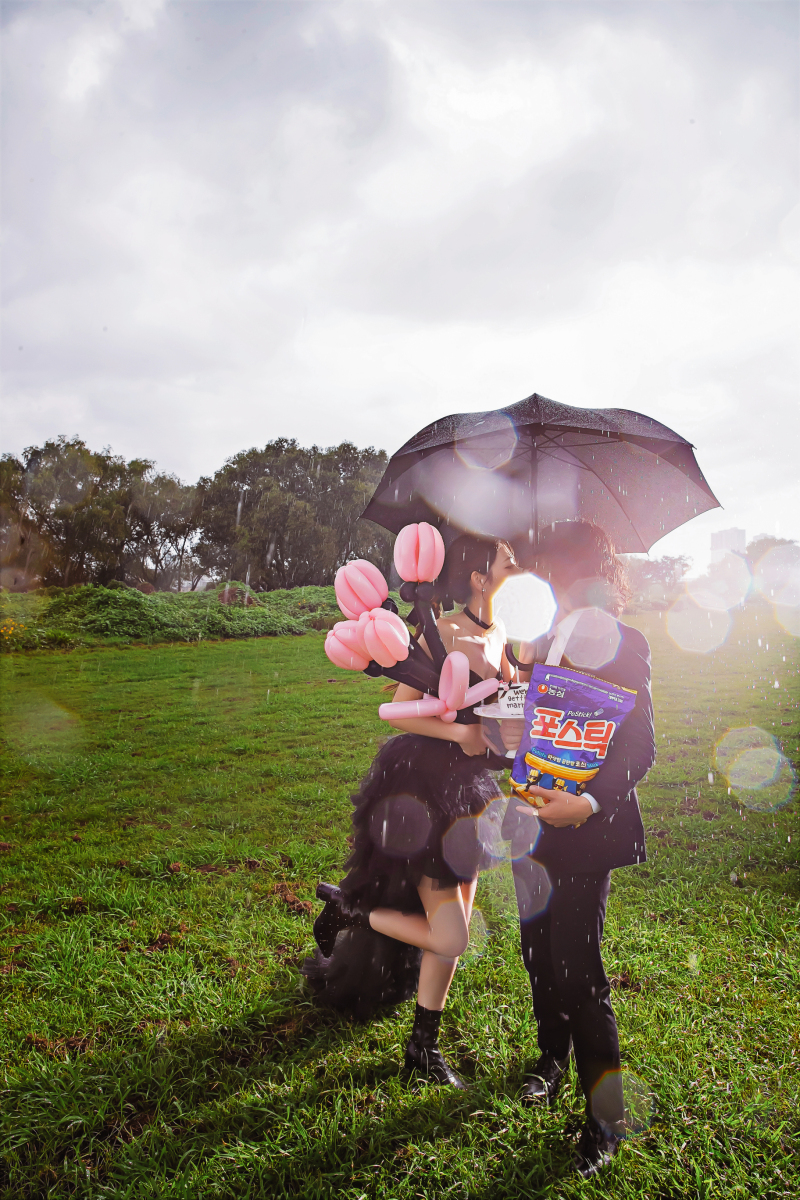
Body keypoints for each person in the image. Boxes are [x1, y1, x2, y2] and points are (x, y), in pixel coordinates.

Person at [303, 534, 518, 1087]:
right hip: (424, 791)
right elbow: (399, 711)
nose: (517, 566)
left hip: (471, 790)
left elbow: (499, 712)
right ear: (479, 576)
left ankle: (423, 1048)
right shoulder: (442, 630)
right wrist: (464, 734)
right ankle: (351, 911)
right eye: (508, 560)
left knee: (457, 920)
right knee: (452, 936)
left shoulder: (503, 636)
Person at [502, 520, 655, 1177]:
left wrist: (587, 804)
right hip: (530, 823)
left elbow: (640, 746)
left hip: (586, 833)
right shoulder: (538, 641)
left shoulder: (623, 642)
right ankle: (550, 1057)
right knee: (536, 951)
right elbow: (525, 726)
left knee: (577, 967)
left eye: (559, 576)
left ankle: (606, 1116)